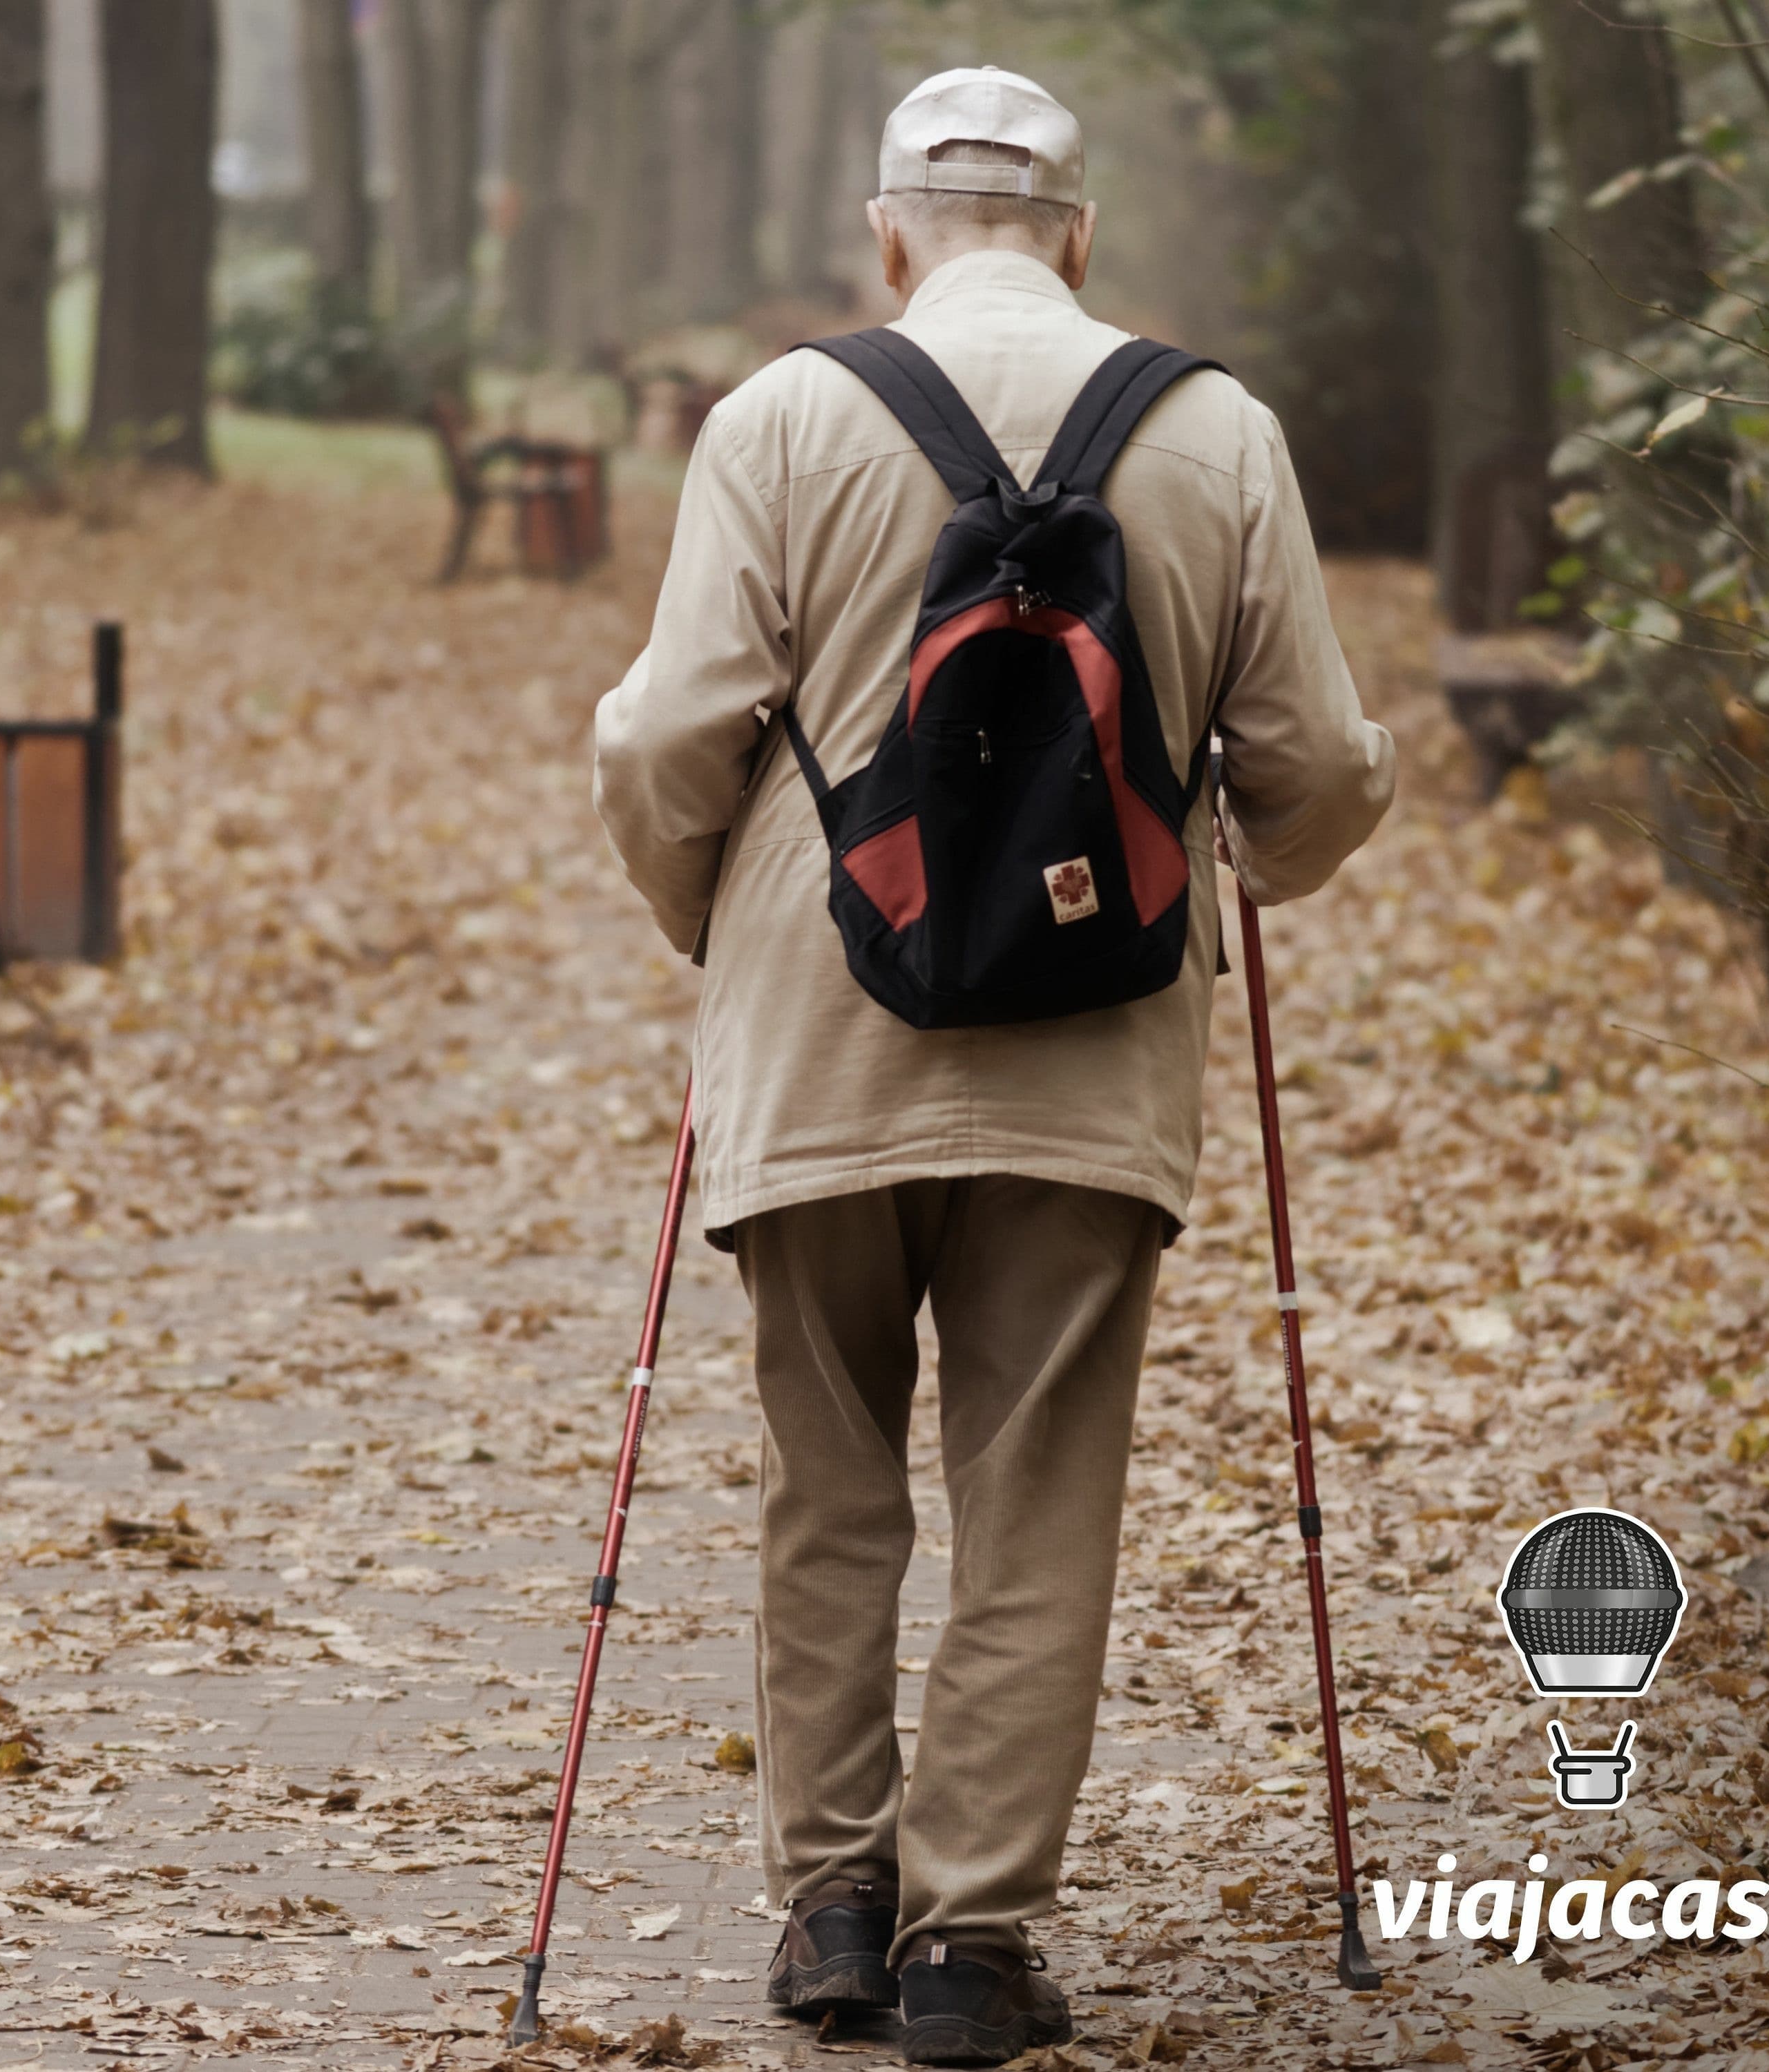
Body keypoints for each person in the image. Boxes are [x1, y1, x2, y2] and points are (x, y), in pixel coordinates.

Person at [595, 65, 1395, 2068]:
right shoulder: (1215, 431)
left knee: (826, 1481)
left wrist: (718, 915)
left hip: (818, 1028)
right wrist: (1249, 867)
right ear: (1080, 234)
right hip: (1096, 1041)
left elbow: (658, 742)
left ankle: (832, 1910)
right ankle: (974, 1948)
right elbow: (1316, 770)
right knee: (1038, 1495)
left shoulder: (781, 419)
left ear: (888, 234)